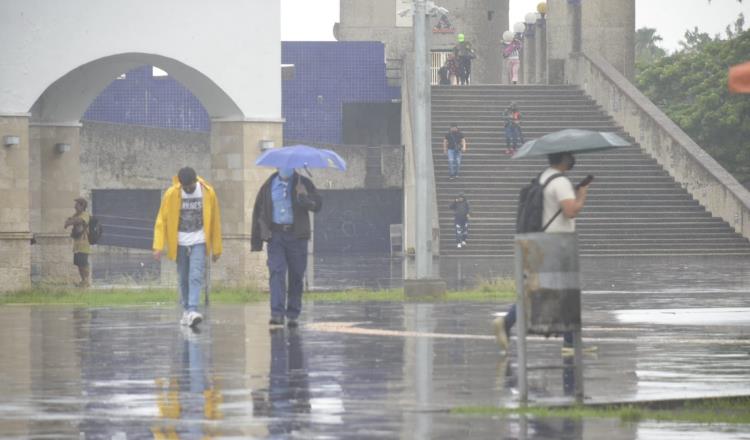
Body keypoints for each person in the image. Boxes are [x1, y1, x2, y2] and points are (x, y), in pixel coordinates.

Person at [493, 152, 591, 354]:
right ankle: (507, 321)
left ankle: (569, 342)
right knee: (560, 292)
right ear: (563, 159)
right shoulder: (561, 182)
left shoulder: (544, 177)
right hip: (556, 244)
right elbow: (571, 211)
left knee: (554, 293)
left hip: (542, 242)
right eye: (570, 157)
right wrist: (582, 194)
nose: (573, 159)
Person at [251, 168, 322, 327]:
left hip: (297, 236)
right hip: (276, 236)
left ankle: (293, 313)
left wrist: (304, 197)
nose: (284, 168)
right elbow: (259, 210)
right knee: (277, 271)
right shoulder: (268, 185)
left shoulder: (304, 183)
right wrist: (258, 238)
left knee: (297, 275)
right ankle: (276, 313)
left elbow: (317, 205)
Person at [153, 167, 222, 328]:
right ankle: (186, 310)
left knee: (196, 275)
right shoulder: (172, 194)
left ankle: (192, 309)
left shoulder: (208, 192)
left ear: (196, 181)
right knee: (183, 277)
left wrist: (216, 248)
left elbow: (215, 221)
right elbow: (161, 220)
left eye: (190, 186)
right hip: (180, 242)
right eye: (185, 188)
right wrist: (158, 246)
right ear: (180, 184)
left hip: (199, 240)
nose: (188, 190)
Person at [64, 197, 92, 288]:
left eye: (77, 205)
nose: (75, 206)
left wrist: (70, 222)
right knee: (79, 263)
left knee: (84, 263)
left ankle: (86, 281)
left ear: (82, 206)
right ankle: (83, 281)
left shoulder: (85, 215)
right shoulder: (76, 214)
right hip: (77, 245)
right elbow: (70, 220)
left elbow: (78, 221)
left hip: (84, 244)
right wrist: (70, 221)